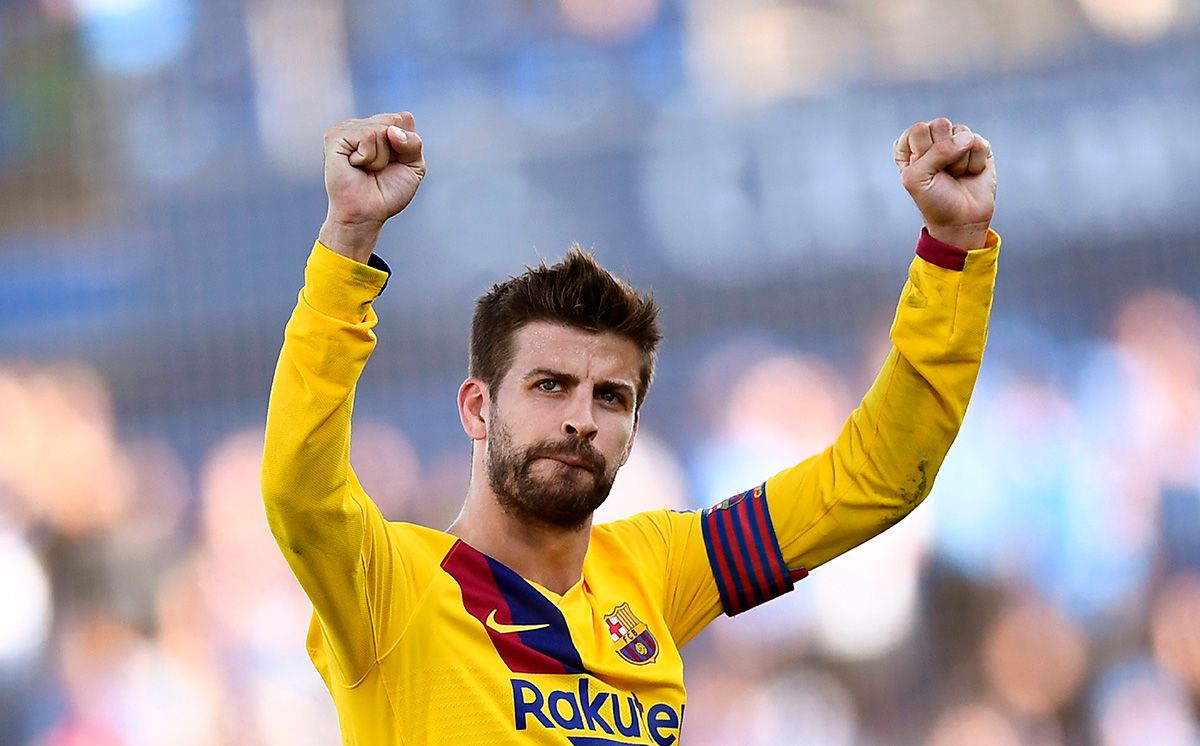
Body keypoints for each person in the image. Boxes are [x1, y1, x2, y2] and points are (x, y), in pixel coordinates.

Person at [261, 111, 999, 745]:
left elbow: (873, 479)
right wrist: (348, 244)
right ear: (477, 408)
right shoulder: (392, 587)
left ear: (636, 431)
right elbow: (301, 490)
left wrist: (953, 249)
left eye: (610, 397)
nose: (581, 419)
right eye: (549, 386)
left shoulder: (656, 571)